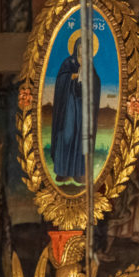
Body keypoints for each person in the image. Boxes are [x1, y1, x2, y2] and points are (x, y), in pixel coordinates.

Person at [50, 37, 101, 184]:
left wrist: (89, 79)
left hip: (82, 106)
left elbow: (96, 83)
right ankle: (63, 171)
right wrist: (72, 77)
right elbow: (60, 80)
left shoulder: (89, 65)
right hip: (69, 106)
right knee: (67, 134)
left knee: (80, 136)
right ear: (76, 47)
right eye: (81, 47)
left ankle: (79, 173)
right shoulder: (68, 62)